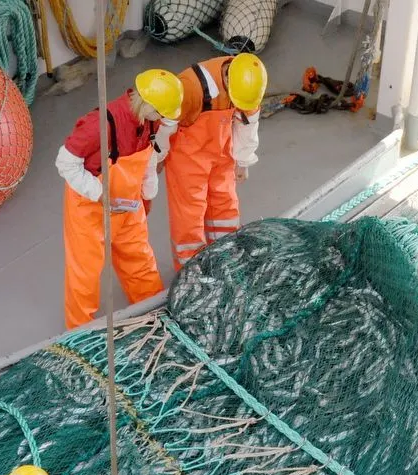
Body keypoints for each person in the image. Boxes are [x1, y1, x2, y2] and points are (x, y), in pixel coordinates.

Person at [55, 68, 184, 329]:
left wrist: (148, 194)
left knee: (139, 258)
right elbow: (65, 163)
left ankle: (153, 309)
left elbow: (148, 158)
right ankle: (79, 331)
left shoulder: (149, 120)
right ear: (147, 103)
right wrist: (99, 194)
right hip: (89, 208)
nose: (163, 120)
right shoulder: (99, 125)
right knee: (86, 274)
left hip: (127, 203)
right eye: (161, 113)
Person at [161, 53, 268, 270]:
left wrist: (243, 161)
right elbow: (165, 124)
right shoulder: (190, 88)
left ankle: (226, 256)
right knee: (189, 213)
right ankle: (190, 269)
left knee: (224, 202)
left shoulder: (249, 84)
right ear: (227, 80)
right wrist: (157, 156)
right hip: (187, 158)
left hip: (221, 151)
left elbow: (248, 122)